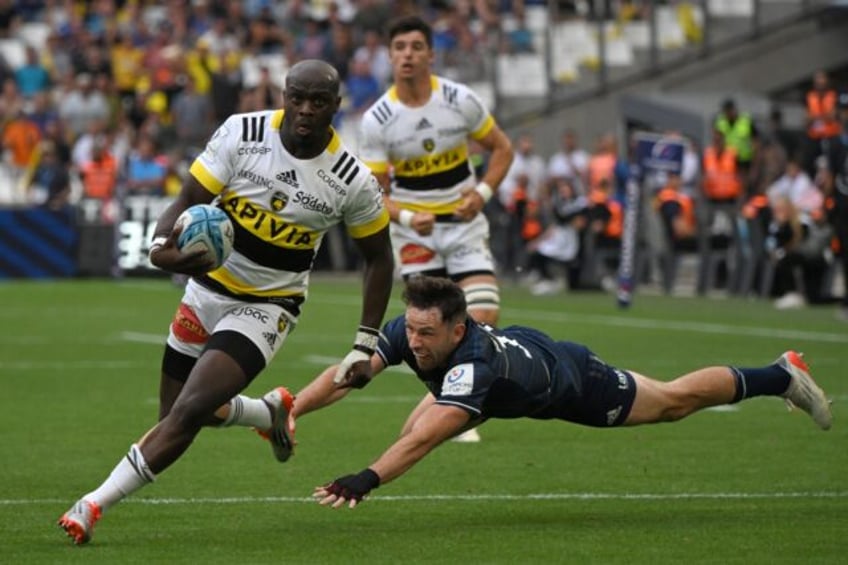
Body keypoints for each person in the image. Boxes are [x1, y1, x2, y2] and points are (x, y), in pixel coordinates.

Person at [57, 59, 395, 545]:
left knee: (190, 412)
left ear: (336, 108)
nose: (304, 109)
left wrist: (364, 344)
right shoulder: (244, 133)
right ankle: (267, 412)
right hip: (205, 289)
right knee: (173, 415)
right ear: (283, 96)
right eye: (295, 97)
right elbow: (188, 197)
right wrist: (159, 247)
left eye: (317, 101)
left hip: (267, 305)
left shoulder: (350, 179)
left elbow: (379, 259)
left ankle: (92, 504)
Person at [292, 275, 832, 509]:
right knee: (415, 420)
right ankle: (779, 374)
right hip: (517, 358)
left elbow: (424, 441)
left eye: (426, 334)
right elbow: (349, 372)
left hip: (570, 381)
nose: (414, 341)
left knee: (671, 402)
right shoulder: (414, 328)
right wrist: (291, 406)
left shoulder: (473, 366)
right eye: (410, 330)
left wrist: (366, 479)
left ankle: (779, 374)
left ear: (458, 330)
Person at [358, 15, 513, 443]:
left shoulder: (459, 99)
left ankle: (456, 404)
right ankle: (452, 407)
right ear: (390, 56)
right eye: (400, 47)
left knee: (483, 315)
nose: (407, 54)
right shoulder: (378, 119)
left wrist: (481, 192)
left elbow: (502, 148)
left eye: (416, 46)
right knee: (426, 328)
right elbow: (374, 193)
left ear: (430, 53)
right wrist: (408, 217)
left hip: (463, 225)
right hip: (414, 232)